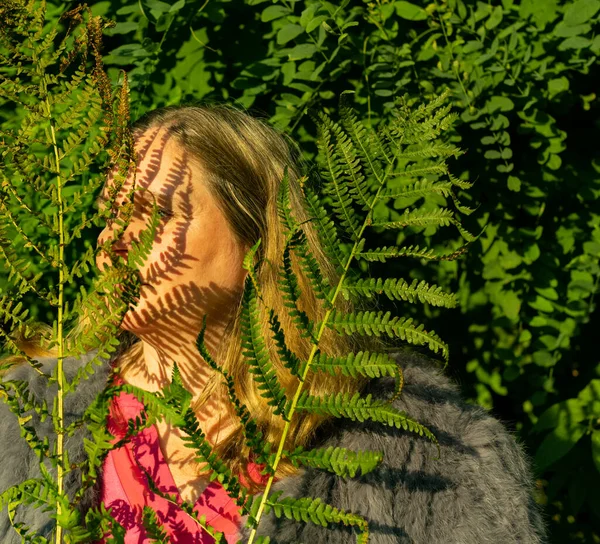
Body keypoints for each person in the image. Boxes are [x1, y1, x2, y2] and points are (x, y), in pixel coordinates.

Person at [0, 104, 547, 543]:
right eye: (110, 213)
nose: (114, 239)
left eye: (156, 214)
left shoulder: (419, 455)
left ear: (257, 238)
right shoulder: (28, 416)